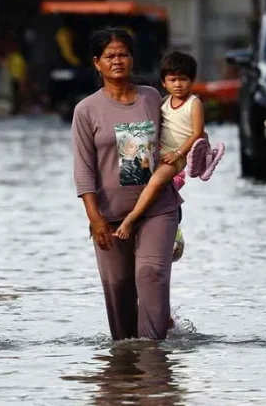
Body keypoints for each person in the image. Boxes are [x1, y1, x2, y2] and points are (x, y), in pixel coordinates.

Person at [72, 28, 183, 341]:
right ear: (97, 63)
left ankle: (153, 353)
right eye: (110, 56)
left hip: (158, 209)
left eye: (123, 54)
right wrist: (95, 219)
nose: (117, 61)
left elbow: (176, 142)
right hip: (110, 214)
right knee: (120, 291)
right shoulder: (86, 110)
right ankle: (124, 371)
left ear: (132, 59)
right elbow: (83, 169)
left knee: (150, 274)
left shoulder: (151, 98)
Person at [113, 51, 225, 240]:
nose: (178, 84)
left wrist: (178, 154)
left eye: (183, 79)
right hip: (159, 151)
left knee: (156, 181)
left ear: (192, 80)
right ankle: (131, 212)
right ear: (164, 83)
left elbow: (197, 133)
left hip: (177, 157)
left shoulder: (193, 103)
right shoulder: (165, 102)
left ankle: (130, 219)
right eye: (172, 80)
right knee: (134, 173)